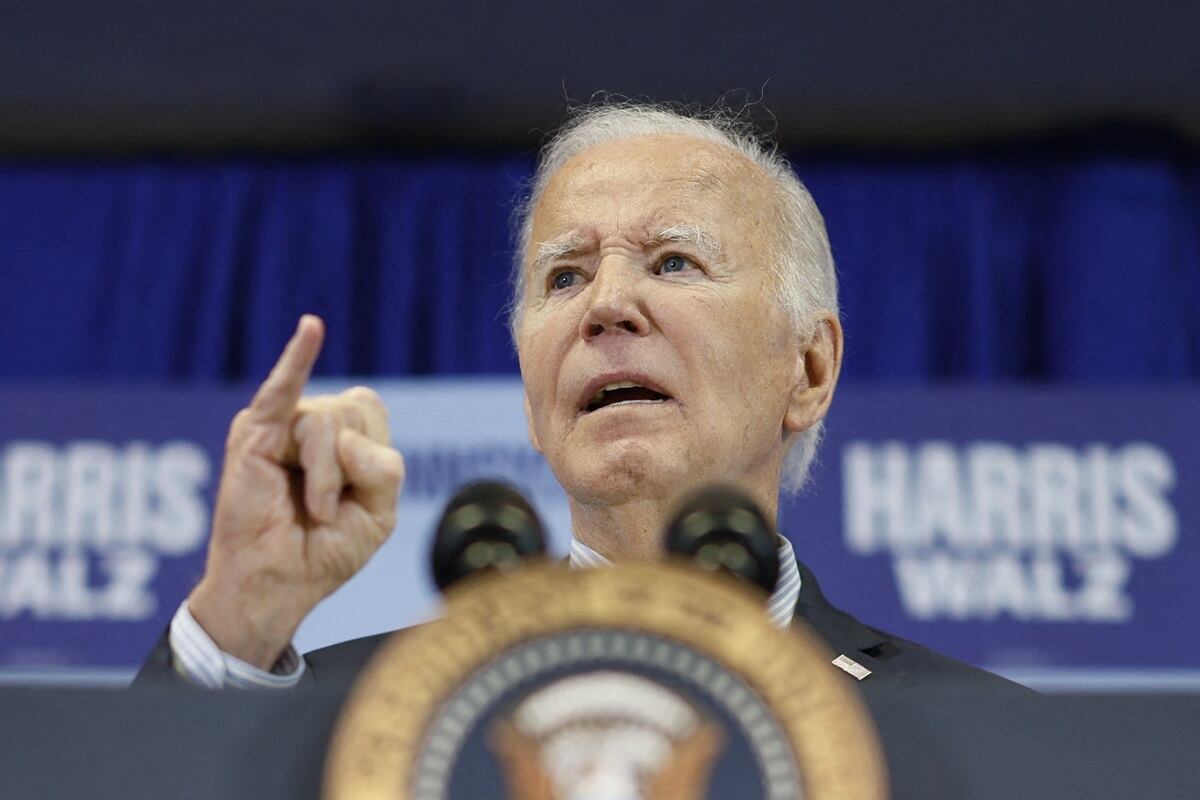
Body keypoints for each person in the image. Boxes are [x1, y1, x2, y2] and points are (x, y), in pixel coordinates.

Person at [136, 104, 1024, 693]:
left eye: (674, 261)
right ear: (530, 387)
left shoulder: (986, 739)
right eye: (563, 276)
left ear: (810, 371)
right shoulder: (364, 717)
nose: (603, 305)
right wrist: (243, 613)